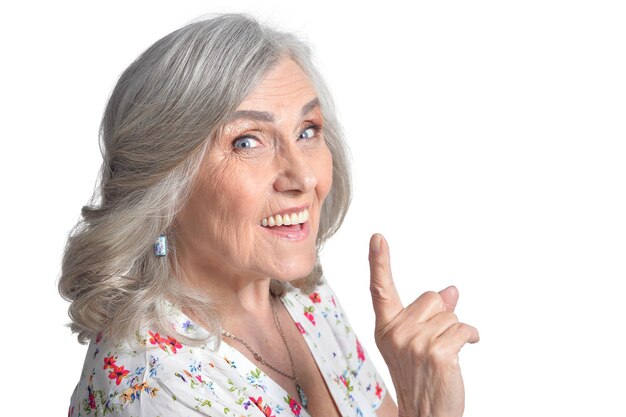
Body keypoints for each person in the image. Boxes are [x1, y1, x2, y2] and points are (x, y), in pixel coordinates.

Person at [60, 14, 479, 417]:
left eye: (307, 131)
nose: (304, 176)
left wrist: (421, 398)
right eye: (247, 142)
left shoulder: (299, 293)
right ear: (165, 181)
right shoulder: (153, 390)